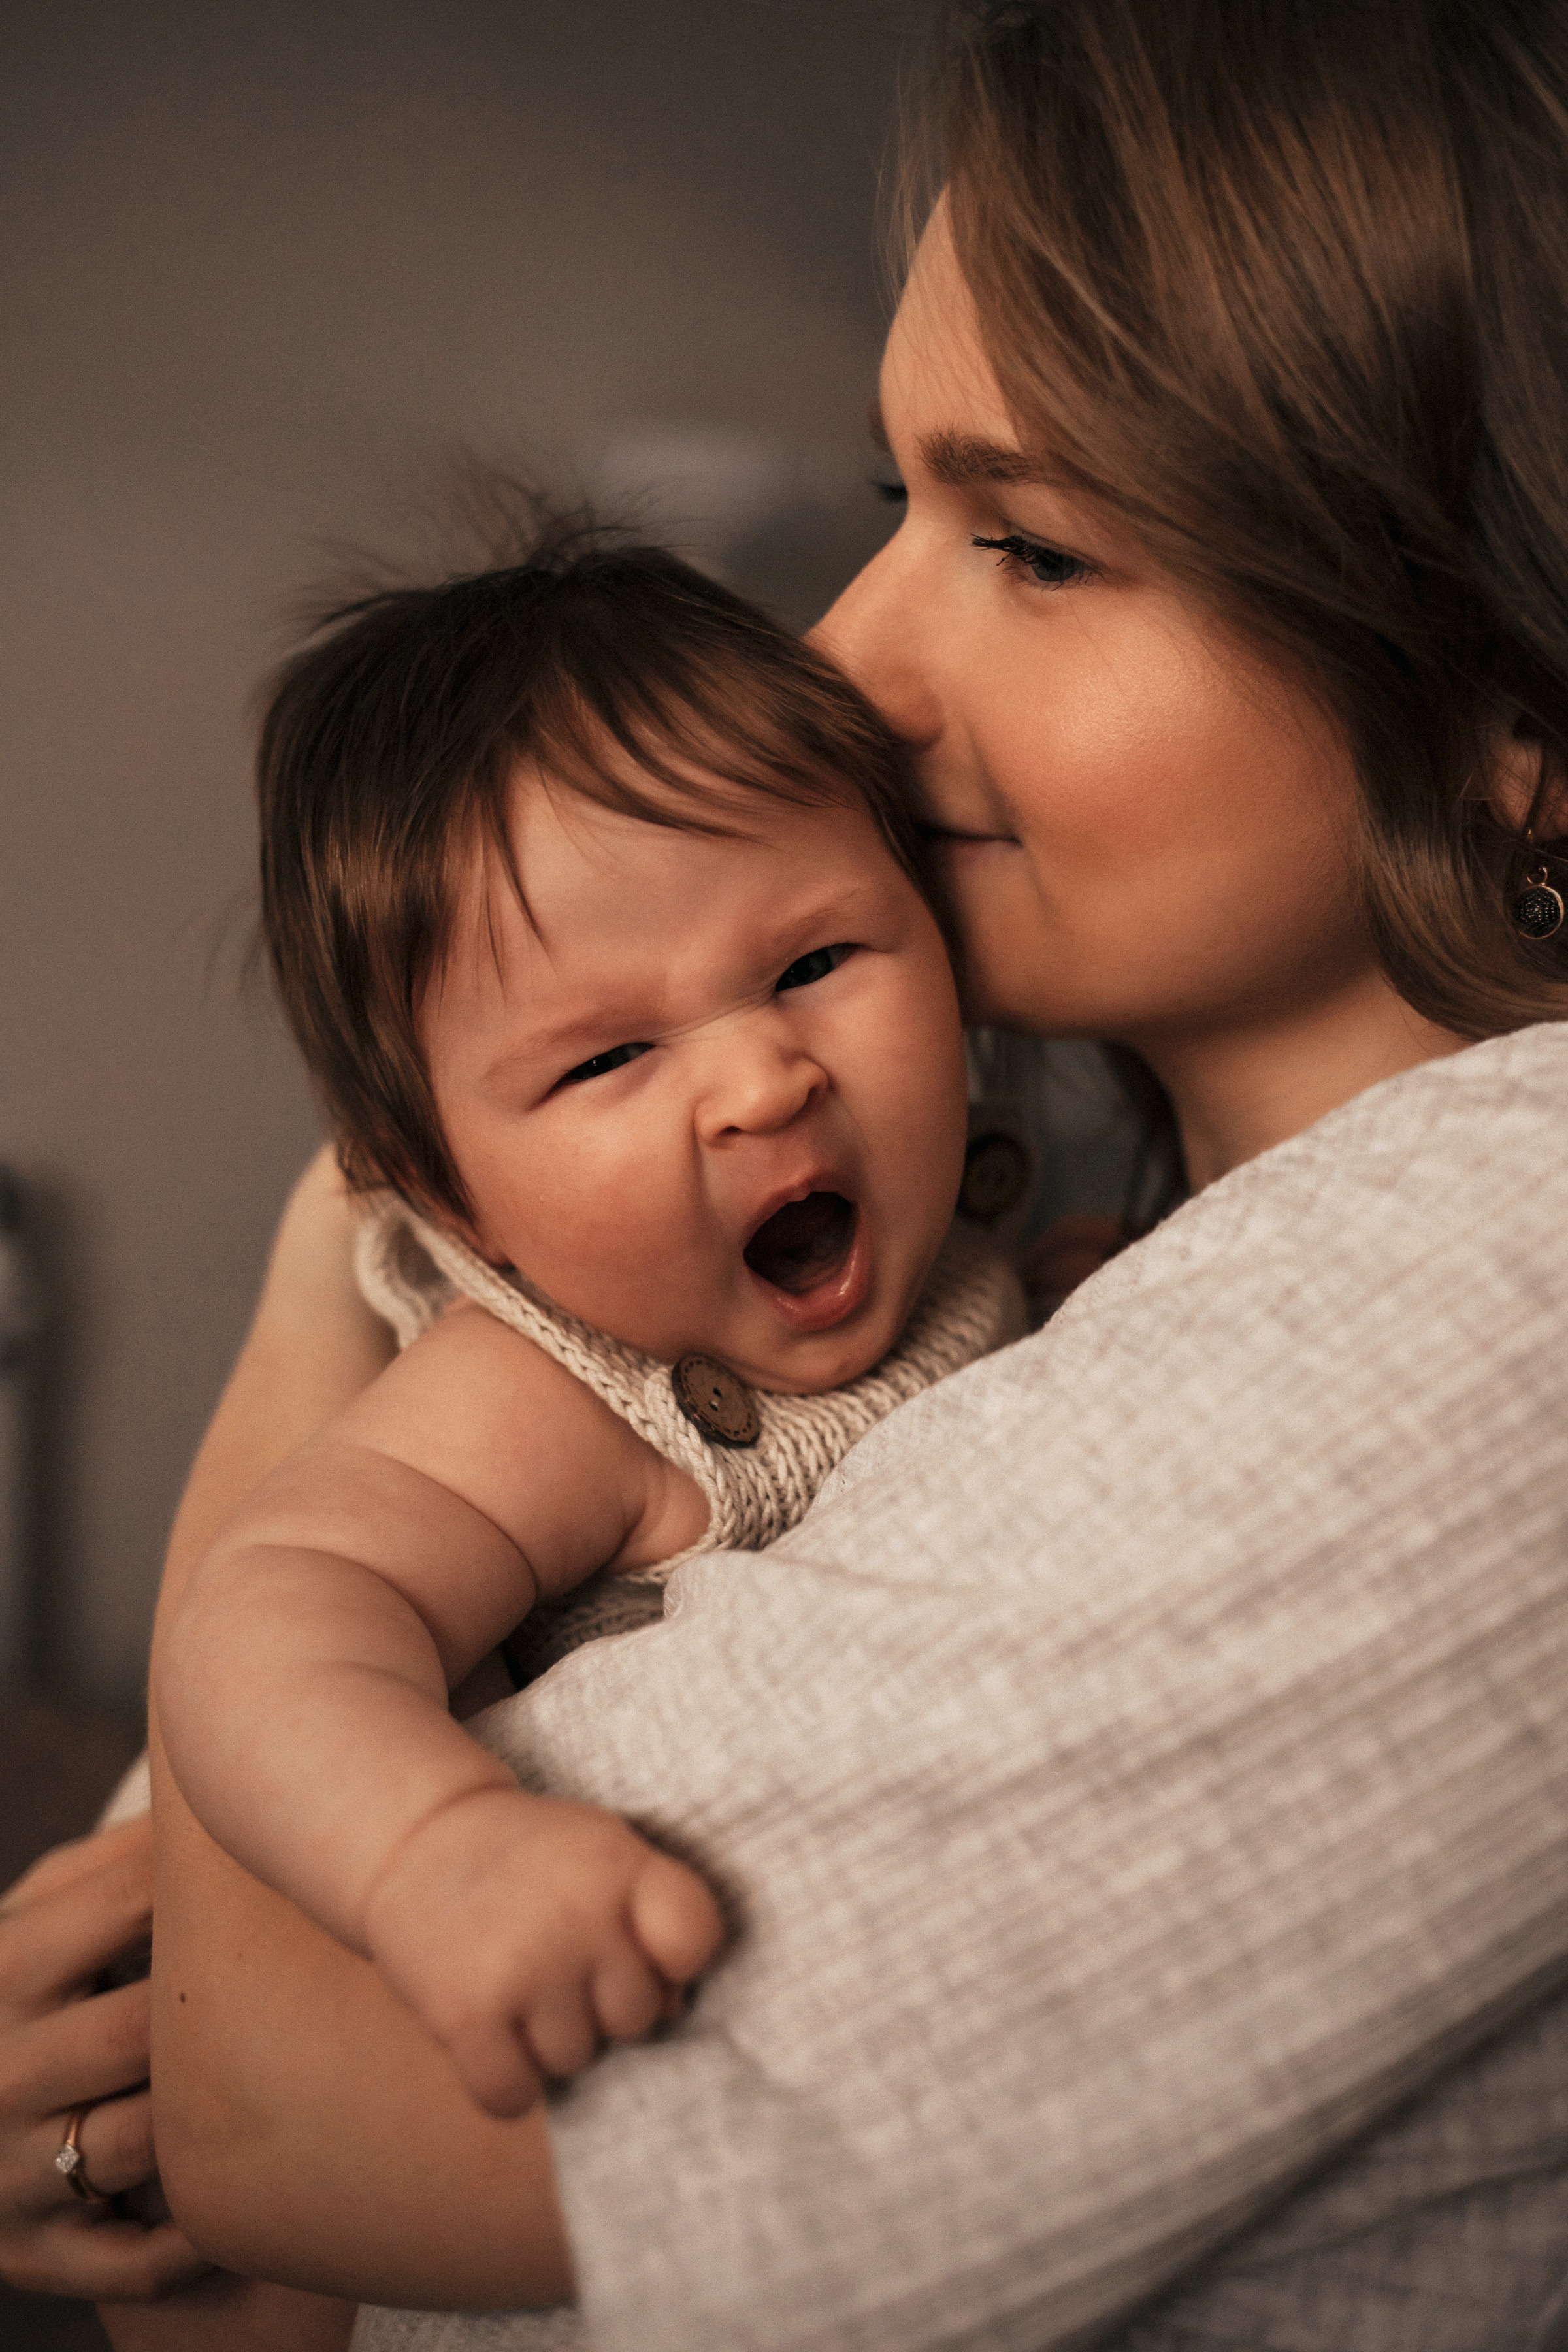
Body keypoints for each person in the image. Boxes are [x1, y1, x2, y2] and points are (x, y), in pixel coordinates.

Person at [7, 0, 1568, 2344]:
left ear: (1504, 729)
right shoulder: (1128, 1273)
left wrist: (334, 1267)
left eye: (1034, 547)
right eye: (893, 507)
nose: (842, 656)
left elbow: (282, 2118)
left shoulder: (1504, 1265)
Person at [154, 533, 1017, 2122]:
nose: (766, 1081)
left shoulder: (963, 1224)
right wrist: (433, 1848)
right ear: (450, 1200)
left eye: (816, 962)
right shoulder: (561, 1389)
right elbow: (273, 1608)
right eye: (608, 1060)